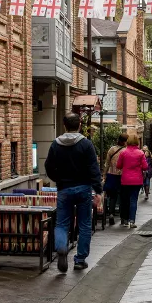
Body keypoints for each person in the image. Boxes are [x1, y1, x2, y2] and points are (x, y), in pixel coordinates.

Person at [44, 113, 102, 272]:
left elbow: (49, 167)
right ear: (80, 125)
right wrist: (98, 190)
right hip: (84, 189)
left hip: (64, 189)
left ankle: (62, 247)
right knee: (84, 224)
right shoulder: (86, 144)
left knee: (61, 223)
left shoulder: (56, 144)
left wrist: (59, 179)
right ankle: (80, 259)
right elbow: (93, 169)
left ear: (64, 126)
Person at [117, 135, 148, 228]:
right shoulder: (140, 153)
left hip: (125, 180)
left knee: (125, 200)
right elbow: (145, 166)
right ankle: (132, 220)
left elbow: (118, 165)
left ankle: (125, 219)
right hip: (137, 180)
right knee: (134, 200)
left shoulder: (123, 152)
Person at [103, 134, 127, 225]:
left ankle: (111, 214)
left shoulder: (111, 149)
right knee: (122, 196)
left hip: (111, 174)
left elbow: (107, 163)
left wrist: (105, 175)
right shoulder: (125, 151)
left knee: (112, 196)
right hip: (122, 175)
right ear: (125, 141)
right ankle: (122, 217)